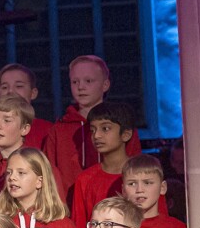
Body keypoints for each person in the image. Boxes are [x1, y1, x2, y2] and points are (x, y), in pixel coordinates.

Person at [45, 56, 142, 189]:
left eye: (88, 81)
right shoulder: (59, 130)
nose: (81, 87)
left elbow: (135, 166)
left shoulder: (121, 124)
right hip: (69, 206)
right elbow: (48, 172)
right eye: (75, 82)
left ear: (105, 85)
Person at [0, 65, 54, 172]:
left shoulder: (48, 131)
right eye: (4, 87)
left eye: (19, 86)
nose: (10, 91)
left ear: (33, 93)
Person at [68, 102, 135, 228]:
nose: (96, 136)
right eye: (93, 130)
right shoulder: (85, 179)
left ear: (126, 134)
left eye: (105, 129)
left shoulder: (143, 175)